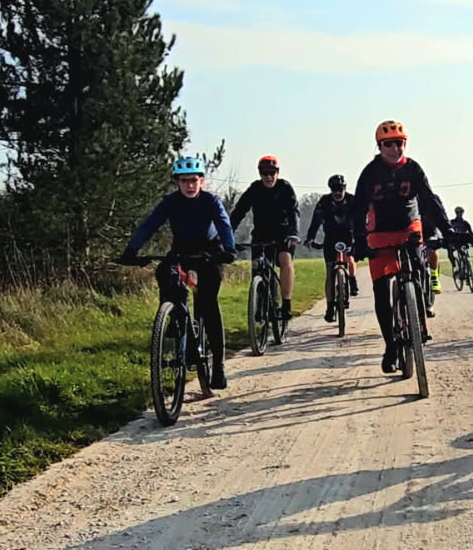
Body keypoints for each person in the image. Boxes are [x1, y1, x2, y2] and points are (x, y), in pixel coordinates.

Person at [121, 155, 235, 389]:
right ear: (177, 183)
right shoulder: (170, 202)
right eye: (184, 181)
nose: (190, 185)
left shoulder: (211, 201)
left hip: (209, 251)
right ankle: (176, 316)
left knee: (208, 303)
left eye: (194, 180)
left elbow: (224, 225)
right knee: (164, 272)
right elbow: (149, 225)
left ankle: (219, 367)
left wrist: (229, 249)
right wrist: (131, 250)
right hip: (182, 249)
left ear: (201, 181)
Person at [353, 120, 451, 374]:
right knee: (381, 289)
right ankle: (391, 345)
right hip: (380, 232)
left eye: (400, 143)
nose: (395, 148)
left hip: (409, 228)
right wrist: (359, 240)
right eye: (389, 144)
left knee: (418, 268)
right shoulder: (370, 173)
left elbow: (429, 200)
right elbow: (358, 209)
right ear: (379, 146)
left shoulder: (414, 169)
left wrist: (448, 230)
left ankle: (420, 322)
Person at [230, 155, 299, 323]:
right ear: (260, 174)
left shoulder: (285, 187)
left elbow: (293, 211)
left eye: (272, 173)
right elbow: (239, 212)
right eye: (264, 174)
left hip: (283, 234)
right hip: (261, 234)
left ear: (278, 172)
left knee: (285, 260)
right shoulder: (255, 189)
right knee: (257, 267)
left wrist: (293, 232)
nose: (268, 177)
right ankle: (261, 302)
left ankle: (287, 304)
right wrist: (228, 233)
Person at [304, 175, 359, 323]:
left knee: (350, 257)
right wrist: (310, 238)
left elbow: (360, 219)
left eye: (340, 189)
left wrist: (362, 237)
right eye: (334, 189)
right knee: (329, 272)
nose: (337, 193)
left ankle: (352, 281)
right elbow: (316, 221)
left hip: (348, 235)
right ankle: (330, 307)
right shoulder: (324, 202)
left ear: (345, 189)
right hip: (331, 237)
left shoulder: (353, 201)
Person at [447, 206, 473, 272]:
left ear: (463, 213)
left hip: (463, 241)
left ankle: (467, 267)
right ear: (456, 213)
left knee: (464, 252)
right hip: (455, 241)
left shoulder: (465, 223)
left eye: (461, 212)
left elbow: (471, 233)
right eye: (458, 212)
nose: (459, 213)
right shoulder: (451, 222)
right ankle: (454, 266)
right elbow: (447, 232)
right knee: (450, 251)